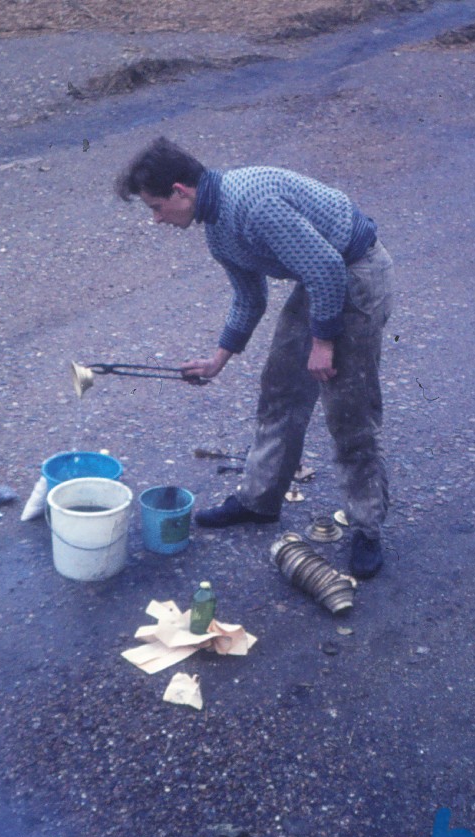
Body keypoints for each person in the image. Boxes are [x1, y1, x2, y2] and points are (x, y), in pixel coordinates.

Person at [115, 137, 393, 579]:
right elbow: (249, 297)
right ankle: (259, 501)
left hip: (355, 272)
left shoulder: (251, 205)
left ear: (181, 191)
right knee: (280, 390)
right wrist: (216, 360)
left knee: (347, 409)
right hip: (321, 279)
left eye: (155, 206)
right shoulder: (218, 229)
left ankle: (367, 528)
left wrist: (324, 344)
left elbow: (326, 267)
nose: (155, 219)